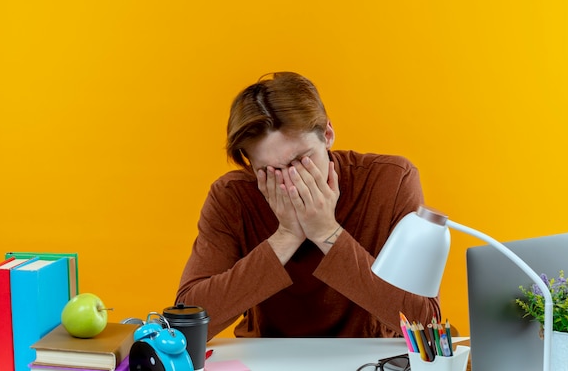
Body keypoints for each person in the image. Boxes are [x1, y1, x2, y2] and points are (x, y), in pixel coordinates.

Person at [176, 71, 440, 340]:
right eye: (269, 171)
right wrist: (287, 235)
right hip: (266, 360)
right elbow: (186, 325)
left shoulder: (392, 181)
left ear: (327, 134)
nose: (291, 182)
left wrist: (327, 233)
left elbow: (427, 325)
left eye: (301, 160)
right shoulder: (233, 196)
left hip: (371, 359)